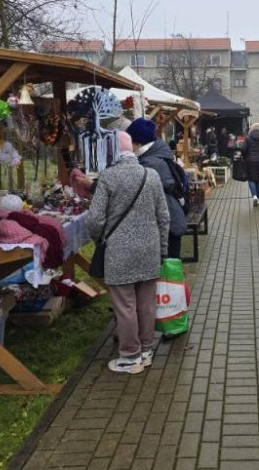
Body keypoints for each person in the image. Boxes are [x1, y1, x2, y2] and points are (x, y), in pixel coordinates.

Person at [87, 131, 170, 374]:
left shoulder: (108, 177)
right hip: (150, 249)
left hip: (119, 251)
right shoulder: (151, 175)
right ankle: (146, 350)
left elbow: (95, 219)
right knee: (147, 304)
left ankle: (130, 355)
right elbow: (163, 217)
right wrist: (163, 249)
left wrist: (100, 239)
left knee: (125, 306)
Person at [127, 118, 188, 259]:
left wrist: (93, 185)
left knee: (167, 269)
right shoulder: (157, 155)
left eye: (130, 142)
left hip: (167, 227)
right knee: (168, 268)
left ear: (138, 142)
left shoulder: (150, 163)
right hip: (170, 222)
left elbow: (129, 188)